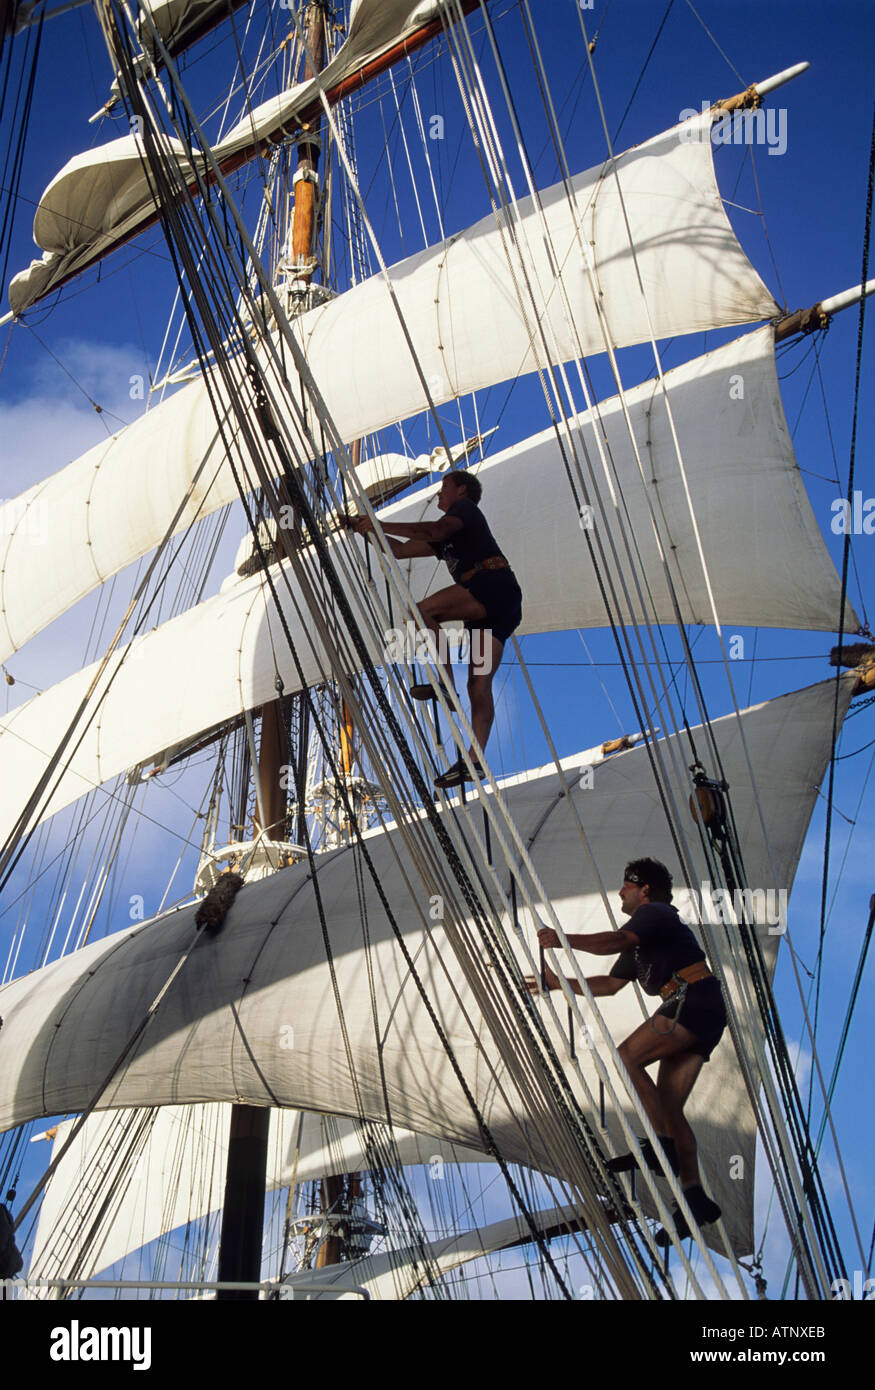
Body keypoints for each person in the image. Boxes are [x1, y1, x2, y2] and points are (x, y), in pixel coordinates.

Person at [529, 858, 726, 1239]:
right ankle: (694, 1198)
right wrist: (556, 983)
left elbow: (618, 940)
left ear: (645, 889)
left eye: (626, 886)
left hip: (692, 999)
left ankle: (660, 1147)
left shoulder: (654, 915)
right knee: (670, 1105)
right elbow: (609, 984)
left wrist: (562, 939)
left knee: (626, 1056)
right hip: (701, 1009)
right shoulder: (642, 942)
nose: (620, 892)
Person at [346, 470, 522, 788]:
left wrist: (380, 524)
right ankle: (475, 760)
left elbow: (435, 529)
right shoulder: (449, 538)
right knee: (478, 687)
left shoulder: (464, 511)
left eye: (444, 488)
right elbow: (399, 551)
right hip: (499, 608)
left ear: (462, 490)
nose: (438, 495)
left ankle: (443, 683)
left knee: (421, 611)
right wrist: (366, 531)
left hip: (490, 587)